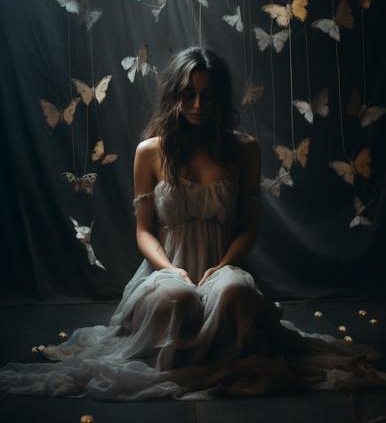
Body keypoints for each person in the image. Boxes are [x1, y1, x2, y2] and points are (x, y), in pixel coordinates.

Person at [0, 47, 385, 400]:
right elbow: (144, 230)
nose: (198, 104)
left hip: (225, 261)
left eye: (208, 95)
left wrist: (223, 265)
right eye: (188, 94)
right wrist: (172, 270)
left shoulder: (244, 149)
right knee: (177, 297)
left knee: (234, 290)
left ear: (219, 98)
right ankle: (173, 338)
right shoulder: (149, 152)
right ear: (174, 96)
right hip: (168, 265)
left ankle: (218, 324)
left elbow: (249, 227)